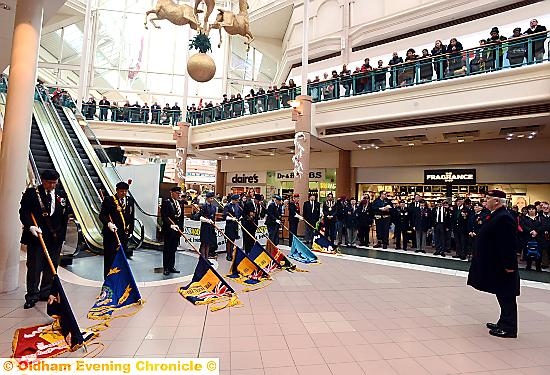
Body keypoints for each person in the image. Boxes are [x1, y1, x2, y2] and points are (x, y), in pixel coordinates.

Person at [467, 190, 519, 338]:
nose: (485, 201)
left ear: (496, 201)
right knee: (501, 294)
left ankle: (509, 328)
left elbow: (508, 244)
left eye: (488, 198)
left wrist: (509, 265)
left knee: (507, 295)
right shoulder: (496, 215)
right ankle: (503, 321)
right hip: (497, 265)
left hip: (504, 266)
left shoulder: (504, 218)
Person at [19, 169, 69, 309]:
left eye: (54, 183)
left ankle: (45, 292)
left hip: (55, 239)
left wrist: (62, 237)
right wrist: (30, 226)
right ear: (42, 180)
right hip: (37, 237)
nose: (52, 185)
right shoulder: (32, 194)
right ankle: (32, 295)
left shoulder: (61, 195)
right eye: (48, 183)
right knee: (34, 267)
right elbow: (23, 212)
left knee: (51, 266)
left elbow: (64, 218)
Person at [99, 181, 135, 277]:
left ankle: (119, 279)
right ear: (117, 190)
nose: (123, 193)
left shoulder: (130, 201)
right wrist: (108, 223)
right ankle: (108, 280)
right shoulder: (109, 200)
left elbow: (132, 217)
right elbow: (102, 215)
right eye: (121, 191)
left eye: (125, 191)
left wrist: (131, 231)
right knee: (110, 258)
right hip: (111, 235)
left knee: (122, 258)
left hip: (124, 235)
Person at [160, 186, 185, 275]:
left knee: (174, 249)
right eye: (177, 193)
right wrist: (171, 225)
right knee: (167, 249)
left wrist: (181, 228)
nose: (178, 195)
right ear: (172, 193)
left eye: (179, 193)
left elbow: (181, 217)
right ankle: (166, 267)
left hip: (177, 231)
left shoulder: (180, 203)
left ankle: (171, 266)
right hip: (169, 230)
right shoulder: (166, 202)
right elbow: (164, 216)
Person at [223, 194, 242, 261]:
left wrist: (239, 218)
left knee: (233, 240)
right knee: (229, 240)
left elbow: (239, 214)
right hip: (229, 225)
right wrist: (231, 218)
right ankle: (228, 255)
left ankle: (231, 253)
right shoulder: (227, 206)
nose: (237, 201)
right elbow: (225, 216)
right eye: (236, 200)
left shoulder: (237, 206)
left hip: (235, 225)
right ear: (233, 200)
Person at [199, 192, 218, 259]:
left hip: (211, 227)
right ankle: (202, 258)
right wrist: (207, 220)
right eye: (211, 198)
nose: (212, 199)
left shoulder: (213, 207)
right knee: (204, 243)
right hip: (205, 227)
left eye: (213, 198)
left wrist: (213, 224)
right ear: (207, 198)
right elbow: (200, 217)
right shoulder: (204, 206)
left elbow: (214, 217)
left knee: (209, 243)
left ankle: (206, 258)